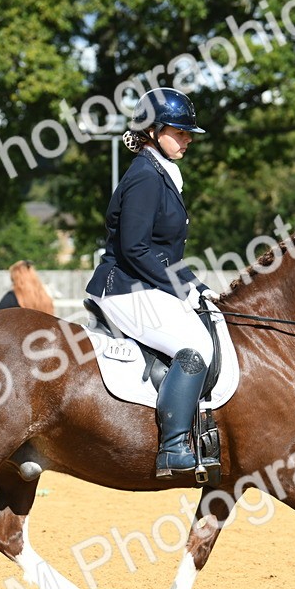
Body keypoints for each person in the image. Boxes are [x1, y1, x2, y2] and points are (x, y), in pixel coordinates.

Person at [85, 87, 214, 478]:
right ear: (153, 131)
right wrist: (183, 290)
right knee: (196, 346)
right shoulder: (145, 176)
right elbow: (136, 248)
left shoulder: (161, 172)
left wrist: (198, 287)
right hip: (123, 286)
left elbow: (164, 254)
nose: (188, 139)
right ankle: (173, 447)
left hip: (142, 283)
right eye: (180, 131)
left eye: (188, 132)